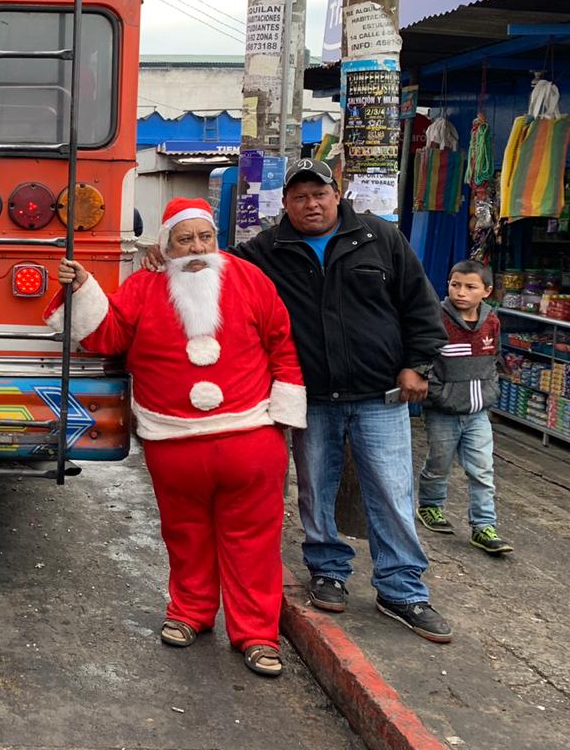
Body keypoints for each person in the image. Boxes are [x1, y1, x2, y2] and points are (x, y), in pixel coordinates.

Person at [48, 197, 307, 677]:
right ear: (165, 245)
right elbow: (108, 335)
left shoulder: (250, 279)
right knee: (185, 535)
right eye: (184, 239)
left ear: (215, 237)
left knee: (254, 541)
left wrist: (286, 410)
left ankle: (256, 634)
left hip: (248, 434)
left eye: (204, 237)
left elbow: (281, 343)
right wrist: (83, 287)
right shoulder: (145, 284)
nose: (196, 248)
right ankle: (190, 613)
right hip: (173, 441)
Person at [213, 159, 452, 642]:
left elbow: (419, 304)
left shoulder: (380, 238)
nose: (311, 204)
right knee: (314, 491)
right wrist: (164, 254)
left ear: (336, 194)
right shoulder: (266, 250)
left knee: (391, 490)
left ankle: (402, 588)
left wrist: (419, 365)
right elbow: (210, 268)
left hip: (379, 394)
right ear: (285, 204)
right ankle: (328, 571)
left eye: (319, 193)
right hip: (310, 396)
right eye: (299, 196)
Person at [417, 260, 513, 555]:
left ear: (486, 291)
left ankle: (484, 525)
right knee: (439, 464)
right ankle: (430, 505)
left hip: (478, 412)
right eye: (454, 284)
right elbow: (423, 356)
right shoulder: (437, 318)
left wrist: (490, 391)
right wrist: (436, 394)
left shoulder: (492, 321)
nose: (460, 292)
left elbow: (493, 358)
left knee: (483, 470)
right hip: (442, 411)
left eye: (470, 287)